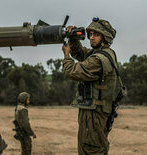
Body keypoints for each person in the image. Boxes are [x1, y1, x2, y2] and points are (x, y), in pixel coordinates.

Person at [62, 17, 118, 155]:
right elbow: (81, 54)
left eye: (96, 35)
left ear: (105, 37)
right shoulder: (100, 53)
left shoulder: (99, 60)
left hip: (94, 117)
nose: (91, 38)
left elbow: (72, 71)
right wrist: (73, 39)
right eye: (90, 34)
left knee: (92, 149)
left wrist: (66, 56)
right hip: (92, 114)